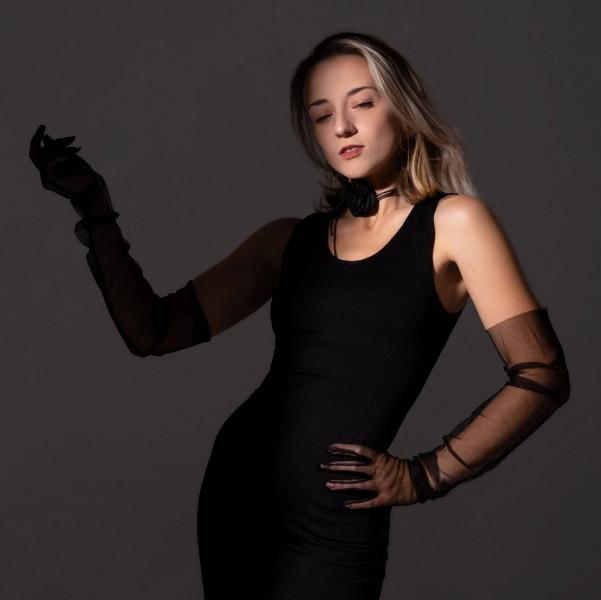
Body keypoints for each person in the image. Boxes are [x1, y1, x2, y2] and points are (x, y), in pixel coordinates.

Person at [29, 31, 570, 600]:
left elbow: (542, 374)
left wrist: (425, 474)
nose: (343, 127)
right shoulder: (289, 241)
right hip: (240, 494)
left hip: (334, 521)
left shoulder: (455, 223)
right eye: (322, 115)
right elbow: (155, 331)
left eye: (363, 103)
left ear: (403, 108)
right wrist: (95, 207)